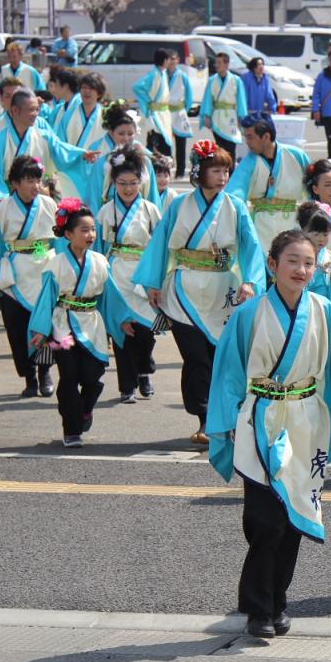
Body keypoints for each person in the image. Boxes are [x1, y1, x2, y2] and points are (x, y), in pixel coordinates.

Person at [207, 229, 331, 639]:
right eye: (292, 261)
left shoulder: (324, 310)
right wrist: (225, 422)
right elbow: (228, 372)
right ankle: (259, 607)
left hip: (304, 421)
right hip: (259, 418)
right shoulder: (249, 314)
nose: (301, 269)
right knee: (264, 519)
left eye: (309, 263)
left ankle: (277, 599)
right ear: (272, 264)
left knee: (293, 517)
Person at [134, 141, 264, 444]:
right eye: (216, 171)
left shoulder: (235, 206)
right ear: (199, 172)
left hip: (222, 289)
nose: (223, 177)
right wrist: (154, 281)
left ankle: (223, 418)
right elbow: (160, 242)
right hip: (185, 289)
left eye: (226, 171)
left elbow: (251, 246)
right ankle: (204, 417)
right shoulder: (180, 205)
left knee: (220, 358)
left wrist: (250, 281)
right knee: (195, 358)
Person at [28, 198, 135, 448]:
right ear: (68, 234)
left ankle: (85, 409)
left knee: (92, 376)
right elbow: (46, 299)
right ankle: (72, 429)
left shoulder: (100, 261)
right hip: (63, 324)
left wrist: (122, 320)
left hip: (92, 324)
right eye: (84, 230)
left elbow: (110, 295)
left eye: (93, 229)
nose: (91, 235)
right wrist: (41, 330)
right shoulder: (55, 263)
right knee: (69, 376)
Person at [0, 155, 58, 398]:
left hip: (44, 268)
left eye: (38, 180)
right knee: (16, 328)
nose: (35, 185)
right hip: (14, 273)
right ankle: (29, 376)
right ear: (15, 183)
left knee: (44, 322)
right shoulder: (2, 208)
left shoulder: (49, 204)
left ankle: (45, 371)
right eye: (29, 180)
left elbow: (61, 241)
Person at [97, 147, 163, 404]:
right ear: (114, 183)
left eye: (133, 183)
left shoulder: (150, 210)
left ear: (141, 182)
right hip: (116, 273)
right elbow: (98, 247)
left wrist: (158, 276)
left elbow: (159, 246)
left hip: (143, 273)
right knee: (121, 331)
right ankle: (127, 385)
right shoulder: (106, 211)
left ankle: (144, 371)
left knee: (146, 330)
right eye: (122, 183)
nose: (128, 188)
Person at [0, 87, 100, 202]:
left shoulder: (44, 137)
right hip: (8, 200)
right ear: (15, 110)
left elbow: (62, 151)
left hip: (39, 196)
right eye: (31, 110)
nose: (35, 114)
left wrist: (82, 154)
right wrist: (1, 199)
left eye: (37, 109)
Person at [225, 114, 311, 251]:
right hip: (261, 226)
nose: (247, 142)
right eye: (246, 137)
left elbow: (314, 187)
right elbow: (235, 193)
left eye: (250, 137)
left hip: (292, 223)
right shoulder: (249, 162)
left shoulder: (296, 155)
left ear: (266, 136)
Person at [86, 102, 160, 218]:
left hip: (141, 219)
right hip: (110, 219)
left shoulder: (145, 163)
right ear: (112, 133)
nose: (126, 138)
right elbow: (94, 198)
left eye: (130, 134)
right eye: (121, 133)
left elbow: (152, 196)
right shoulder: (102, 163)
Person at [55, 73, 107, 201]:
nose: (87, 91)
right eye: (84, 87)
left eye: (91, 88)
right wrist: (78, 154)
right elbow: (59, 144)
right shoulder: (68, 115)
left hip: (97, 171)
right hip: (71, 171)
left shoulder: (106, 116)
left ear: (99, 93)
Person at [200, 53, 248, 163]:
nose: (216, 65)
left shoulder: (236, 80)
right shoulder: (212, 80)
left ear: (227, 64)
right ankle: (221, 169)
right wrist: (207, 116)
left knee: (231, 146)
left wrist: (241, 118)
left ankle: (230, 170)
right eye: (216, 63)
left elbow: (241, 101)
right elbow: (207, 99)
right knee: (219, 147)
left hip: (231, 117)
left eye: (219, 63)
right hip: (217, 116)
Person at [296, 201, 331, 302]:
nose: (321, 239)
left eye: (325, 234)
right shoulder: (294, 256)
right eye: (316, 234)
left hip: (325, 306)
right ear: (303, 231)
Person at [134, 48, 175, 160]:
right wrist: (148, 101)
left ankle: (163, 161)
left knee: (163, 139)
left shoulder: (162, 73)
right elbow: (137, 87)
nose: (169, 62)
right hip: (155, 114)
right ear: (164, 60)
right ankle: (156, 162)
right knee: (156, 140)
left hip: (163, 113)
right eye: (168, 59)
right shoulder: (154, 74)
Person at [166, 51, 193, 179]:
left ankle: (180, 170)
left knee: (181, 142)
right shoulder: (162, 75)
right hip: (165, 112)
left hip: (178, 111)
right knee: (165, 142)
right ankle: (165, 169)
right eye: (169, 59)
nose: (171, 62)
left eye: (174, 59)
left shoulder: (182, 76)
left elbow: (189, 95)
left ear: (177, 60)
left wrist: (184, 109)